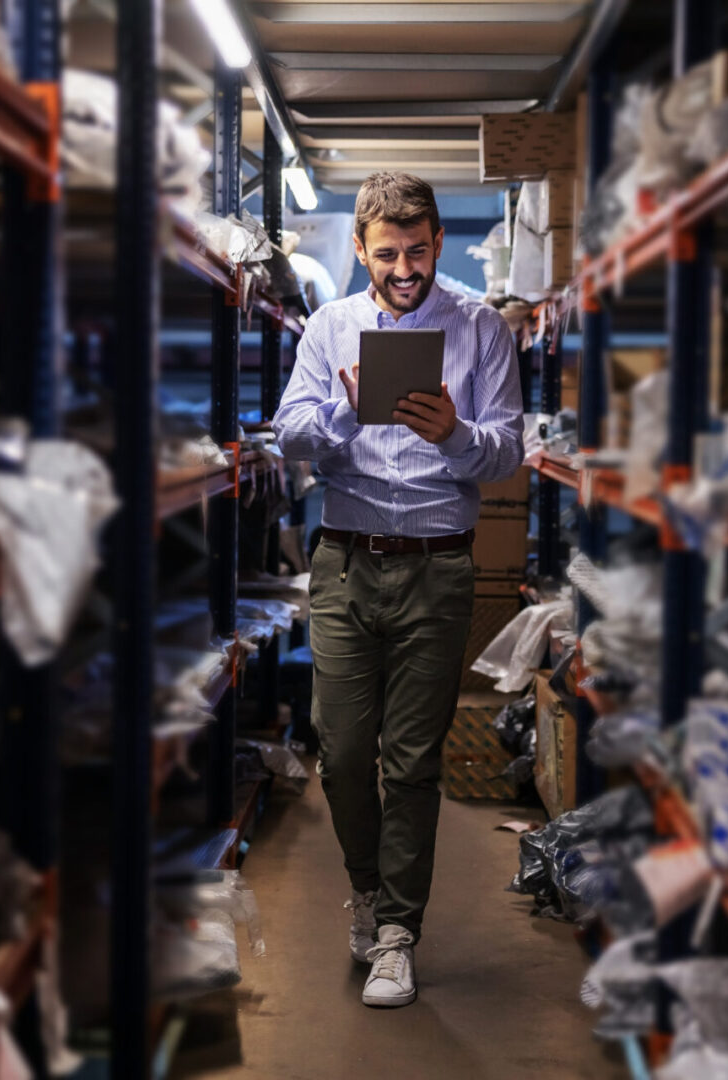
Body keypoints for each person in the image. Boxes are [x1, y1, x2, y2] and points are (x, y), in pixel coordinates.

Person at [272, 172, 524, 1007]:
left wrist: (454, 434)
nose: (405, 268)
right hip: (344, 561)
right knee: (342, 753)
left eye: (418, 251)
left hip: (437, 565)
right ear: (360, 248)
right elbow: (290, 436)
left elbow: (507, 451)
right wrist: (343, 416)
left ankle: (394, 933)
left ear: (439, 242)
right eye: (389, 253)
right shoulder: (329, 325)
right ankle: (369, 889)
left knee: (411, 761)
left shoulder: (481, 328)